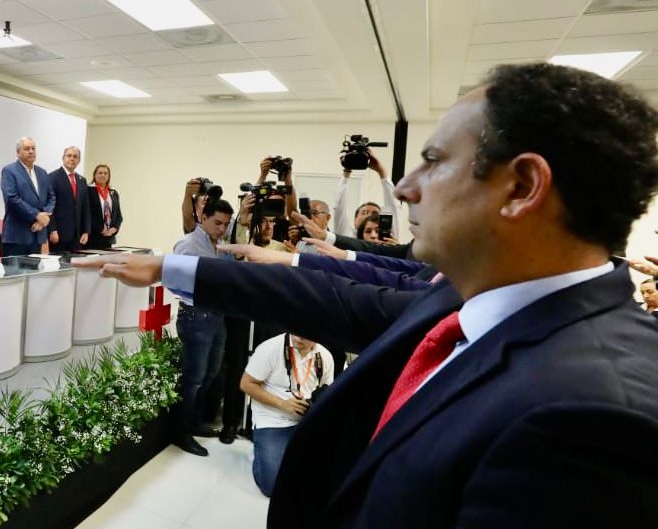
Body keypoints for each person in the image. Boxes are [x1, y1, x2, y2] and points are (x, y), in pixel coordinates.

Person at [76, 62, 658, 526]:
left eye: (433, 161)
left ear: (522, 186)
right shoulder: (467, 297)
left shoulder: (595, 417)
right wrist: (171, 267)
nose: (403, 189)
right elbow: (333, 298)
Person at [171, 198, 234, 457]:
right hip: (196, 316)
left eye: (226, 224)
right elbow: (175, 280)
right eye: (218, 223)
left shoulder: (219, 244)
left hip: (216, 315)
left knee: (210, 374)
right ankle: (181, 432)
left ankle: (195, 423)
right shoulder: (188, 245)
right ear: (203, 218)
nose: (222, 228)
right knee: (193, 379)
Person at [242, 333, 334, 496]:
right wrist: (282, 404)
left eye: (304, 336)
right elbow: (246, 384)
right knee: (271, 487)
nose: (297, 338)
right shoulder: (270, 348)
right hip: (272, 419)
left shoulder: (325, 356)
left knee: (324, 475)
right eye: (295, 333)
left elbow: (326, 391)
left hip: (306, 420)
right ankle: (260, 451)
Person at [0, 137, 54, 256]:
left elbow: (51, 197)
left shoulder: (42, 172)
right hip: (16, 236)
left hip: (37, 234)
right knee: (13, 268)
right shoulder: (9, 171)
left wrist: (42, 219)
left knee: (33, 268)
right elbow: (12, 198)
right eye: (26, 149)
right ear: (18, 152)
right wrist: (36, 215)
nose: (31, 151)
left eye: (33, 148)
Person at [332, 148, 399, 237]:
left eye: (374, 214)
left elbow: (393, 206)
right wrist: (347, 171)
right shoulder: (346, 236)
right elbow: (339, 208)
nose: (369, 216)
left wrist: (381, 170)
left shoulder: (387, 239)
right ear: (355, 220)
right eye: (364, 213)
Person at [47, 146, 90, 253]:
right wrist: (52, 230)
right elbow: (49, 206)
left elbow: (85, 208)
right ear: (63, 158)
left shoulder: (82, 180)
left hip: (77, 236)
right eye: (69, 155)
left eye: (75, 156)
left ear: (79, 160)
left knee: (75, 263)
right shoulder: (52, 177)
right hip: (58, 235)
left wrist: (86, 231)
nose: (72, 159)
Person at [87, 163, 122, 249]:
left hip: (109, 238)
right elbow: (86, 215)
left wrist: (115, 228)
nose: (103, 175)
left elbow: (118, 216)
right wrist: (100, 229)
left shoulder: (113, 193)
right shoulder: (88, 191)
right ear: (94, 175)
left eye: (105, 173)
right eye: (100, 173)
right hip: (93, 237)